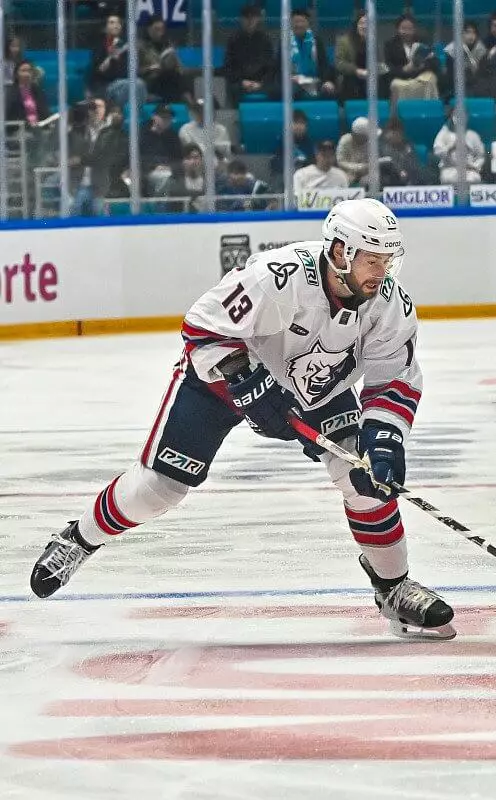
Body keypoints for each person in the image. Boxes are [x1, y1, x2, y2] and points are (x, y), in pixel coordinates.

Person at [29, 199, 455, 639]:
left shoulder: (390, 304)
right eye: (372, 260)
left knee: (363, 473)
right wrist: (244, 378)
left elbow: (394, 381)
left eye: (387, 260)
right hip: (222, 382)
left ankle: (394, 587)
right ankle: (78, 539)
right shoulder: (277, 277)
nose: (381, 272)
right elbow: (203, 327)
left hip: (317, 388)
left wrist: (385, 440)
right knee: (159, 489)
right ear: (341, 252)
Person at [223, 4, 276, 105]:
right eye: (247, 18)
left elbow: (270, 66)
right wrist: (242, 82)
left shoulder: (265, 40)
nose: (250, 21)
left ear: (258, 19)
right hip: (240, 82)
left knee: (275, 86)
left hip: (261, 81)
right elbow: (229, 65)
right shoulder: (234, 40)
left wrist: (261, 83)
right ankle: (238, 117)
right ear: (241, 20)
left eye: (253, 18)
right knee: (233, 87)